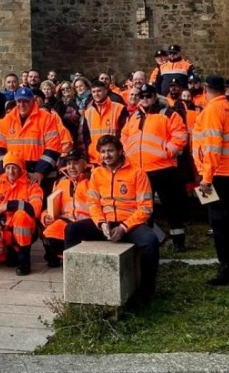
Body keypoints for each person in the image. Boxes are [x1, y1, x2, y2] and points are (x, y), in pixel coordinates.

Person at [65, 135, 159, 302]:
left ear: (120, 151)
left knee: (150, 241)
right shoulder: (97, 174)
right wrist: (101, 223)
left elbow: (145, 208)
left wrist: (124, 227)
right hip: (106, 223)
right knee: (72, 229)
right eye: (102, 152)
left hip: (130, 224)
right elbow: (93, 203)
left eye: (110, 151)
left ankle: (146, 291)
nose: (106, 155)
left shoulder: (138, 173)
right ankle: (73, 282)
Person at [193, 75, 229, 286]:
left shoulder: (212, 110)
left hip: (216, 174)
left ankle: (226, 267)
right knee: (224, 219)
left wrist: (206, 178)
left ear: (207, 89)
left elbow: (212, 147)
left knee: (218, 222)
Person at [121, 84, 189, 252]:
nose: (145, 99)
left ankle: (178, 241)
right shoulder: (134, 117)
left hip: (164, 168)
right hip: (141, 171)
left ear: (155, 96)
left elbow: (180, 134)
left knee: (171, 206)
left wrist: (169, 150)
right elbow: (124, 136)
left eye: (148, 96)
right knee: (145, 208)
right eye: (142, 96)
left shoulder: (168, 113)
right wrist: (127, 152)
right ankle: (151, 240)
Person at [0, 87, 62, 186]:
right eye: (19, 101)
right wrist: (2, 171)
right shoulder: (6, 121)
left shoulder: (47, 119)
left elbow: (53, 148)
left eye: (26, 101)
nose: (22, 105)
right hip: (14, 175)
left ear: (33, 101)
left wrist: (40, 171)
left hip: (41, 176)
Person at [40, 150, 90, 267]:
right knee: (49, 232)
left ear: (85, 164)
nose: (71, 167)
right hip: (67, 222)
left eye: (75, 163)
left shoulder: (93, 182)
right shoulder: (61, 183)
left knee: (72, 230)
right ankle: (69, 260)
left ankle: (75, 262)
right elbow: (50, 207)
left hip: (88, 224)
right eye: (68, 163)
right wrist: (46, 217)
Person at [80, 81, 128, 165]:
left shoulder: (119, 108)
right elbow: (86, 138)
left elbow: (125, 133)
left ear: (105, 91)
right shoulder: (88, 112)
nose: (96, 94)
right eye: (94, 92)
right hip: (95, 158)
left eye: (99, 91)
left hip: (114, 158)